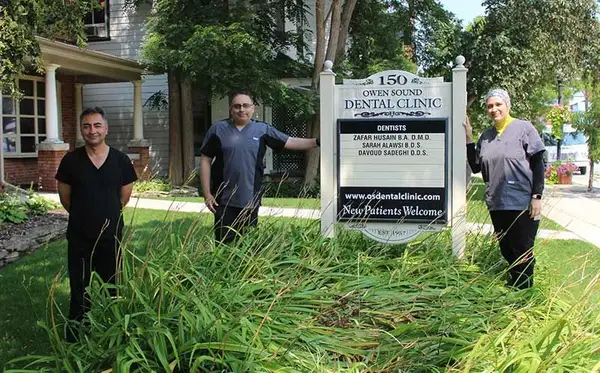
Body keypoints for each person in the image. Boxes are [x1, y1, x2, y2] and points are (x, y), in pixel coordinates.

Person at [56, 107, 138, 339]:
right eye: (87, 126)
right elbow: (65, 199)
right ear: (82, 130)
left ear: (106, 129)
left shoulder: (121, 161)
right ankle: (76, 334)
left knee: (113, 287)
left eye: (97, 125)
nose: (92, 130)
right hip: (79, 236)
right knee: (79, 288)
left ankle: (112, 330)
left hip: (110, 236)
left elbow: (123, 199)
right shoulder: (70, 161)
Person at [200, 91, 320, 243]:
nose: (241, 109)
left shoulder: (263, 130)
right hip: (223, 200)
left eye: (245, 106)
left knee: (248, 245)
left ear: (253, 108)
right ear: (231, 109)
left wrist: (317, 141)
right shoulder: (218, 129)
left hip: (251, 198)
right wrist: (207, 194)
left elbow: (290, 141)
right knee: (224, 244)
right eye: (237, 106)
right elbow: (205, 159)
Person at [464, 88, 545, 289]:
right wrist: (468, 138)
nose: (494, 109)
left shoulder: (524, 128)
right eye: (490, 106)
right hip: (497, 202)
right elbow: (476, 166)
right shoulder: (486, 137)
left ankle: (524, 293)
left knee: (522, 250)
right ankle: (515, 288)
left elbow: (537, 163)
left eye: (498, 104)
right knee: (507, 249)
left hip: (521, 202)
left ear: (507, 105)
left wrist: (537, 195)